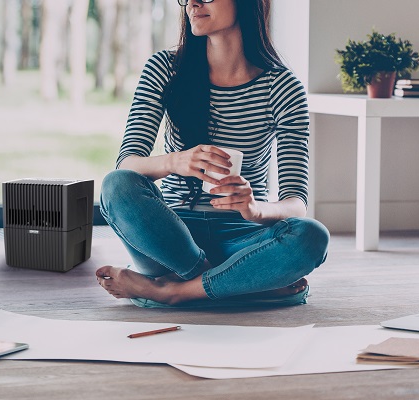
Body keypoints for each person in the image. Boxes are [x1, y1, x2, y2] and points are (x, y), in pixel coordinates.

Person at [96, 0, 329, 307]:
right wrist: (174, 161)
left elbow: (295, 203)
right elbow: (128, 163)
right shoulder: (165, 69)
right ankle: (228, 282)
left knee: (312, 235)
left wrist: (255, 209)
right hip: (170, 237)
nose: (193, 3)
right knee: (117, 184)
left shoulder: (282, 86)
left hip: (244, 239)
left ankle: (173, 291)